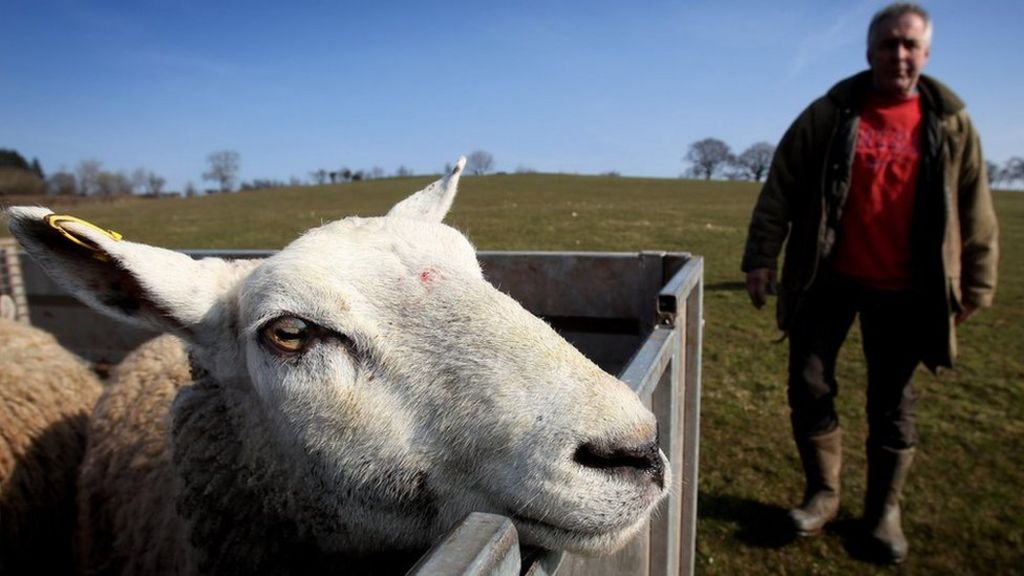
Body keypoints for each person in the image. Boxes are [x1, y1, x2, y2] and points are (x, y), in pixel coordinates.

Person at [741, 2, 999, 564]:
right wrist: (761, 256)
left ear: (926, 54)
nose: (899, 54)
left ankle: (884, 511)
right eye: (889, 44)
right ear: (869, 50)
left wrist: (978, 281)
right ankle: (823, 494)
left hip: (907, 287)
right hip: (825, 277)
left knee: (892, 402)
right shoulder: (830, 113)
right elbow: (781, 185)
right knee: (808, 385)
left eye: (910, 45)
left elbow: (975, 202)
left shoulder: (951, 122)